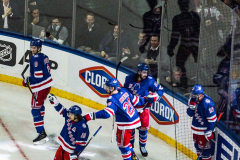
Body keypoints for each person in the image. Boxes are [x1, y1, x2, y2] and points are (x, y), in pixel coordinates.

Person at [84, 78, 158, 160]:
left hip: (126, 125)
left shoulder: (112, 100)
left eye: (107, 87)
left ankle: (129, 157)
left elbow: (107, 113)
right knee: (119, 140)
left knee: (122, 146)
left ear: (112, 88)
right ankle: (132, 155)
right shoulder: (124, 91)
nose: (106, 88)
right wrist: (147, 100)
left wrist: (90, 116)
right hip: (133, 119)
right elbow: (136, 100)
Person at [123, 63, 164, 158]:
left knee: (143, 130)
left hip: (144, 109)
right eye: (143, 72)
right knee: (130, 129)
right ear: (138, 72)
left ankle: (142, 146)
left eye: (146, 72)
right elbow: (124, 91)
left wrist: (156, 96)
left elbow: (161, 90)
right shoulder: (128, 79)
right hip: (131, 109)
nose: (145, 74)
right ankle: (131, 146)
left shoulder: (149, 81)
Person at [22, 39, 54, 145]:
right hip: (47, 85)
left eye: (34, 47)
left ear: (39, 48)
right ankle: (42, 129)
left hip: (39, 88)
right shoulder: (45, 56)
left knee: (35, 110)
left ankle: (41, 134)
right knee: (40, 107)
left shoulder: (34, 58)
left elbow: (38, 75)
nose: (32, 49)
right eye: (31, 47)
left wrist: (28, 80)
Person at [167, 0, 200, 86]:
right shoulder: (195, 16)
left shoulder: (178, 18)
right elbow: (198, 32)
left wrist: (171, 47)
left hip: (186, 45)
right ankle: (187, 82)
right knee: (183, 62)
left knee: (180, 62)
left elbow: (175, 36)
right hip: (195, 44)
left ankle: (184, 82)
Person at [48, 94, 89, 160]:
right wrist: (55, 102)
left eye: (71, 114)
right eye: (70, 113)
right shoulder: (69, 117)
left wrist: (76, 152)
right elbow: (61, 109)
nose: (69, 115)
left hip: (70, 152)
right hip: (62, 147)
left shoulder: (82, 127)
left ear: (77, 116)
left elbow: (81, 142)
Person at [186, 85, 217, 160]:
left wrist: (209, 131)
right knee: (198, 149)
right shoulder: (192, 100)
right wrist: (191, 109)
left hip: (203, 133)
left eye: (195, 95)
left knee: (205, 153)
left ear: (200, 95)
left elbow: (212, 120)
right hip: (195, 131)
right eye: (192, 94)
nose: (193, 96)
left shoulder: (207, 103)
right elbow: (190, 114)